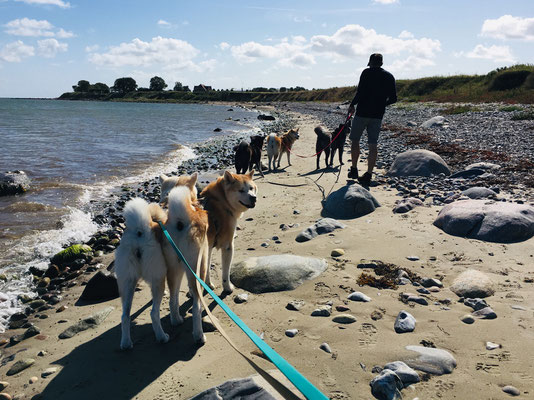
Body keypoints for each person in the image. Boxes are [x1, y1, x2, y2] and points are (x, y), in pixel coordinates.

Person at [347, 53, 397, 186]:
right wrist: (381, 104)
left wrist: (352, 105)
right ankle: (369, 174)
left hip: (362, 112)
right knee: (372, 144)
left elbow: (360, 92)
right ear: (381, 63)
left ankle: (354, 169)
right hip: (377, 115)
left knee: (355, 140)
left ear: (370, 62)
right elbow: (394, 99)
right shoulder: (389, 76)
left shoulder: (366, 73)